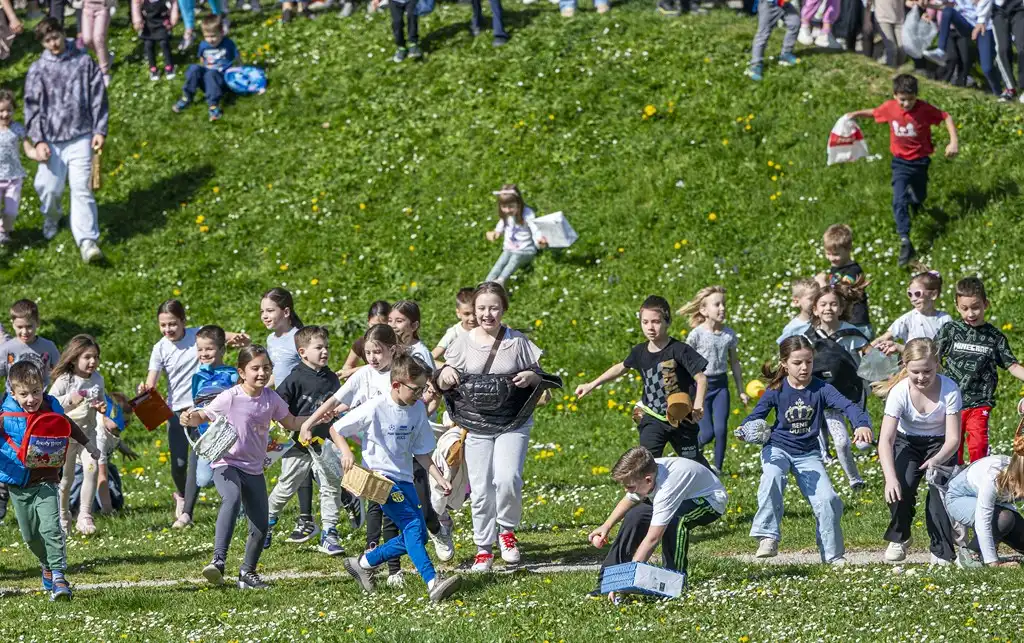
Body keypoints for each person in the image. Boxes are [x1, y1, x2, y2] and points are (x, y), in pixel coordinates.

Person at [333, 354, 461, 602]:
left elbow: (421, 452)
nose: (421, 394)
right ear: (396, 385)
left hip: (405, 479)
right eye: (416, 389)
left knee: (419, 535)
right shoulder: (375, 407)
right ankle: (432, 581)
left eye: (423, 389)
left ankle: (364, 563)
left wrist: (439, 478)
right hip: (381, 480)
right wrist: (347, 452)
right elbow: (336, 429)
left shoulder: (417, 410)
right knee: (412, 525)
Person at [436, 282, 545, 571]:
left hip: (513, 421)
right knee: (481, 486)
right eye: (482, 308)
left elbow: (541, 378)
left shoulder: (517, 341)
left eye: (494, 308)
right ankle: (483, 549)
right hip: (476, 423)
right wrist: (446, 373)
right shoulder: (462, 342)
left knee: (508, 478)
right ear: (473, 310)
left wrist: (531, 377)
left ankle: (506, 532)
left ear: (503, 309)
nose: (487, 314)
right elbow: (442, 377)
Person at [180, 345, 308, 589]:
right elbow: (203, 416)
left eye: (266, 368)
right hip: (226, 463)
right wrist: (188, 417)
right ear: (241, 372)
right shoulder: (231, 396)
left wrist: (319, 417)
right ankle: (218, 560)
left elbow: (291, 422)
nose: (262, 373)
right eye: (255, 368)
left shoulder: (271, 399)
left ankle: (247, 574)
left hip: (254, 469)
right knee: (232, 497)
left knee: (261, 525)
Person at [740, 335, 872, 564]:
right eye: (797, 362)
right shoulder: (775, 389)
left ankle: (833, 556)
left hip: (808, 454)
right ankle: (767, 536)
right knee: (772, 477)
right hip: (777, 448)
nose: (804, 367)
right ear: (784, 364)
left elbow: (848, 406)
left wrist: (861, 423)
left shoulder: (822, 388)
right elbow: (754, 418)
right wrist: (745, 430)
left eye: (809, 362)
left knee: (829, 500)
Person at [302, 324, 413, 584]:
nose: (372, 358)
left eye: (377, 352)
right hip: (374, 455)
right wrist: (308, 423)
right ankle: (371, 564)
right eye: (368, 353)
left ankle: (394, 570)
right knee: (376, 509)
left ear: (392, 349)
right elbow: (335, 400)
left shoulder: (401, 373)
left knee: (395, 513)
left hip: (400, 455)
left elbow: (418, 397)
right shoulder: (364, 374)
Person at [0, 362, 101, 601]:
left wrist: (88, 445)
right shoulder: (5, 416)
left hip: (46, 480)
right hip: (18, 485)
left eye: (36, 391)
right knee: (31, 537)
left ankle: (58, 577)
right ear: (12, 393)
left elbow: (68, 426)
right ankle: (46, 565)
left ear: (43, 387)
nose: (31, 399)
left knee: (51, 528)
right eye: (24, 394)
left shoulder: (51, 407)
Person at [140, 299, 247, 523]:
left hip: (204, 410)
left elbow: (219, 336)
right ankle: (182, 496)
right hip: (177, 412)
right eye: (163, 325)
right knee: (179, 465)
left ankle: (187, 513)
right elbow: (152, 381)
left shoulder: (197, 335)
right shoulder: (160, 348)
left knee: (197, 461)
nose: (168, 329)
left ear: (183, 321)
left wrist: (238, 338)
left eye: (172, 324)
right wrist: (146, 389)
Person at [576, 295, 708, 463]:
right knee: (647, 462)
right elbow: (621, 367)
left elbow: (701, 379)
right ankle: (650, 481)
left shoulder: (680, 350)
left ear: (667, 322)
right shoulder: (639, 352)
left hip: (682, 417)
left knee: (693, 463)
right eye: (645, 322)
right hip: (653, 417)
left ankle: (711, 480)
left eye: (656, 322)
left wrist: (698, 405)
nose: (650, 327)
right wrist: (592, 384)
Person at [846, 74, 959, 267]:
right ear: (894, 96)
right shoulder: (890, 108)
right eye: (902, 100)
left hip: (921, 162)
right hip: (900, 163)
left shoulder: (924, 109)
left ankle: (915, 202)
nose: (906, 104)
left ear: (916, 96)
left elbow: (945, 116)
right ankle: (905, 239)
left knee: (919, 196)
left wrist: (953, 141)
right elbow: (875, 113)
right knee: (898, 200)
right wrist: (855, 114)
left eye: (911, 99)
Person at [589, 446, 727, 602]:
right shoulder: (645, 473)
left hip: (709, 501)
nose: (627, 490)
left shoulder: (667, 488)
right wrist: (606, 526)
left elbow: (653, 538)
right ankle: (606, 582)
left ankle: (674, 584)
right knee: (635, 515)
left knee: (675, 521)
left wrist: (628, 579)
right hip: (680, 496)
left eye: (630, 487)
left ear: (648, 480)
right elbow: (630, 499)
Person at [24, 17, 108, 263]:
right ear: (42, 43)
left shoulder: (83, 62)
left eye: (56, 37)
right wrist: (38, 140)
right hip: (50, 140)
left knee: (82, 188)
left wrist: (99, 130)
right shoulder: (37, 69)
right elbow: (31, 108)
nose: (53, 44)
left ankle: (87, 241)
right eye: (47, 41)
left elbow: (98, 96)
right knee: (48, 188)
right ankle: (52, 216)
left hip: (81, 135)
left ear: (63, 33)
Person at [266, 326, 356, 557]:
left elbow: (337, 407)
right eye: (319, 348)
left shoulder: (332, 378)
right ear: (303, 352)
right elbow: (278, 408)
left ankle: (329, 533)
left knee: (330, 486)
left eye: (326, 347)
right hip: (297, 446)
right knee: (286, 487)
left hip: (324, 443)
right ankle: (266, 521)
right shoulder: (294, 378)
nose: (325, 351)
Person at [873, 338, 961, 564]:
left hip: (941, 445)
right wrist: (890, 478)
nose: (922, 377)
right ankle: (901, 536)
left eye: (927, 371)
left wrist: (937, 460)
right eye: (916, 372)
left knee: (939, 496)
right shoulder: (899, 392)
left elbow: (953, 438)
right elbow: (886, 439)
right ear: (905, 366)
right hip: (907, 442)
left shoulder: (950, 389)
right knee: (899, 488)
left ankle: (941, 550)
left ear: (937, 365)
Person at [935, 276, 1024, 464]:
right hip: (951, 400)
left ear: (986, 304)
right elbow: (930, 357)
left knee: (978, 444)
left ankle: (979, 472)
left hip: (979, 401)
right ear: (957, 307)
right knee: (953, 447)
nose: (970, 313)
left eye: (975, 307)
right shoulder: (950, 330)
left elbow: (1013, 366)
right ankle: (953, 477)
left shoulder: (994, 337)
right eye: (965, 308)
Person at [805, 283, 870, 489]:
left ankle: (867, 435)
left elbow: (872, 360)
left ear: (841, 308)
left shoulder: (853, 334)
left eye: (833, 304)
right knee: (841, 443)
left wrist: (880, 380)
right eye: (823, 304)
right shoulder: (808, 338)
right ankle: (855, 480)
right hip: (829, 399)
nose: (828, 308)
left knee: (863, 444)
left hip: (854, 393)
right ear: (815, 309)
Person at [678, 286, 749, 474]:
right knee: (707, 433)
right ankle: (692, 452)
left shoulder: (729, 335)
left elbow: (735, 363)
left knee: (721, 429)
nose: (722, 308)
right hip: (701, 388)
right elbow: (684, 360)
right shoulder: (696, 334)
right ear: (704, 310)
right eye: (717, 304)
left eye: (724, 304)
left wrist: (741, 390)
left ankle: (717, 468)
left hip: (721, 387)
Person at [48, 335, 114, 535]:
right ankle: (63, 516)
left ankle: (85, 515)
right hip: (66, 436)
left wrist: (101, 408)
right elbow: (49, 403)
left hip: (88, 436)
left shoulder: (98, 379)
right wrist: (70, 398)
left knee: (92, 469)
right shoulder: (65, 380)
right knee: (66, 479)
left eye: (96, 357)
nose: (93, 361)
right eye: (87, 357)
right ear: (74, 358)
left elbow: (101, 403)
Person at [175, 324, 238, 529]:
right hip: (205, 434)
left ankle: (239, 508)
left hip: (228, 434)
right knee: (203, 479)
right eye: (200, 349)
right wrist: (190, 415)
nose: (204, 353)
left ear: (222, 349)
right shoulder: (198, 375)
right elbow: (198, 401)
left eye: (209, 349)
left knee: (234, 471)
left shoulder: (232, 375)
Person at [945, 447, 1024, 567]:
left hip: (997, 504)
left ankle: (986, 553)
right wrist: (993, 563)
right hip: (961, 497)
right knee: (1004, 519)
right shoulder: (993, 477)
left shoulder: (1018, 476)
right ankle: (969, 556)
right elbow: (983, 521)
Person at [923, 0, 1000, 96]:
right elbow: (945, 5)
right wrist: (927, 5)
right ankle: (940, 50)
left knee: (987, 68)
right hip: (967, 25)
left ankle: (998, 92)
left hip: (984, 27)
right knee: (948, 11)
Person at [172, 14, 238, 121]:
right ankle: (187, 96)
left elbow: (237, 58)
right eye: (207, 36)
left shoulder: (228, 44)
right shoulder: (203, 45)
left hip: (222, 79)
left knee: (212, 73)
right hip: (207, 79)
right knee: (194, 68)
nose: (210, 40)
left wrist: (239, 71)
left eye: (213, 36)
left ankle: (213, 105)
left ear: (222, 32)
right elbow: (202, 59)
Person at [872, 268, 951, 355]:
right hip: (912, 363)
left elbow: (949, 348)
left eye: (917, 294)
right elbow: (884, 338)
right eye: (910, 294)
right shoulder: (907, 319)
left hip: (935, 363)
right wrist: (866, 350)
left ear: (933, 294)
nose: (913, 299)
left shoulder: (944, 319)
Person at [814, 224, 872, 340]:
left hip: (857, 323)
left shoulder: (853, 271)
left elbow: (841, 292)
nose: (831, 258)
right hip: (845, 321)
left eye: (836, 254)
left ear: (848, 249)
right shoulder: (836, 267)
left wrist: (822, 284)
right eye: (828, 254)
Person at [484, 185, 548, 286]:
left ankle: (501, 281)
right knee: (500, 262)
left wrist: (540, 240)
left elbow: (535, 229)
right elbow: (500, 228)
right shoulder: (506, 216)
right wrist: (495, 233)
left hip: (526, 250)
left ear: (519, 203)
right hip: (509, 248)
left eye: (511, 206)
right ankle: (487, 282)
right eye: (504, 207)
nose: (507, 210)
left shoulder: (527, 214)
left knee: (515, 259)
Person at [0, 89, 38, 246]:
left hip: (14, 177)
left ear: (14, 110)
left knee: (11, 211)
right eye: (1, 111)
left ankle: (4, 232)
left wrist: (37, 155)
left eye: (9, 110)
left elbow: (28, 149)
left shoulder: (18, 129)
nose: (5, 114)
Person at [0, 299, 61, 391]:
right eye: (20, 327)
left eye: (29, 326)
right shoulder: (6, 349)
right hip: (13, 396)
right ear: (13, 324)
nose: (24, 332)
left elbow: (60, 371)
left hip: (40, 395)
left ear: (37, 322)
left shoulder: (49, 347)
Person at [977, 0, 1024, 101]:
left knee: (1022, 47)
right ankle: (1010, 89)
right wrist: (981, 19)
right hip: (999, 12)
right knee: (1002, 50)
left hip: (1020, 9)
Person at [745, 0, 801, 82]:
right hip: (769, 5)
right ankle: (756, 64)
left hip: (784, 4)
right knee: (763, 34)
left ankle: (786, 53)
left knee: (795, 23)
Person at [339, 300, 390, 379]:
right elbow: (347, 367)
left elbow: (385, 366)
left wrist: (352, 371)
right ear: (368, 322)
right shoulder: (361, 342)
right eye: (373, 325)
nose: (378, 330)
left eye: (383, 326)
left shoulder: (396, 343)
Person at [133, 0, 177, 81]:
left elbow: (174, 2)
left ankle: (169, 66)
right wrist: (137, 20)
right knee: (148, 45)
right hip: (148, 24)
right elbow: (136, 4)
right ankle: (153, 68)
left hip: (162, 23)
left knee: (164, 43)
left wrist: (173, 16)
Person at [432, 288, 477, 361]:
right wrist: (446, 366)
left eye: (475, 313)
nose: (472, 318)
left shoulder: (486, 329)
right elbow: (431, 358)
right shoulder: (454, 333)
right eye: (466, 314)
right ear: (458, 313)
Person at [389, 300, 434, 368]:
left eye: (399, 321)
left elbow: (429, 374)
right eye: (390, 320)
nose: (392, 325)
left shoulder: (420, 353)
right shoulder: (388, 347)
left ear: (414, 326)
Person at [81, 0, 114, 86]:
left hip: (102, 7)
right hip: (87, 7)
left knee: (98, 39)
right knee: (87, 39)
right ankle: (107, 56)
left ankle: (105, 72)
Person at [777, 278, 820, 344]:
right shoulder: (792, 328)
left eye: (818, 297)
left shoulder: (824, 319)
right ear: (796, 301)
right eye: (811, 298)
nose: (816, 301)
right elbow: (784, 348)